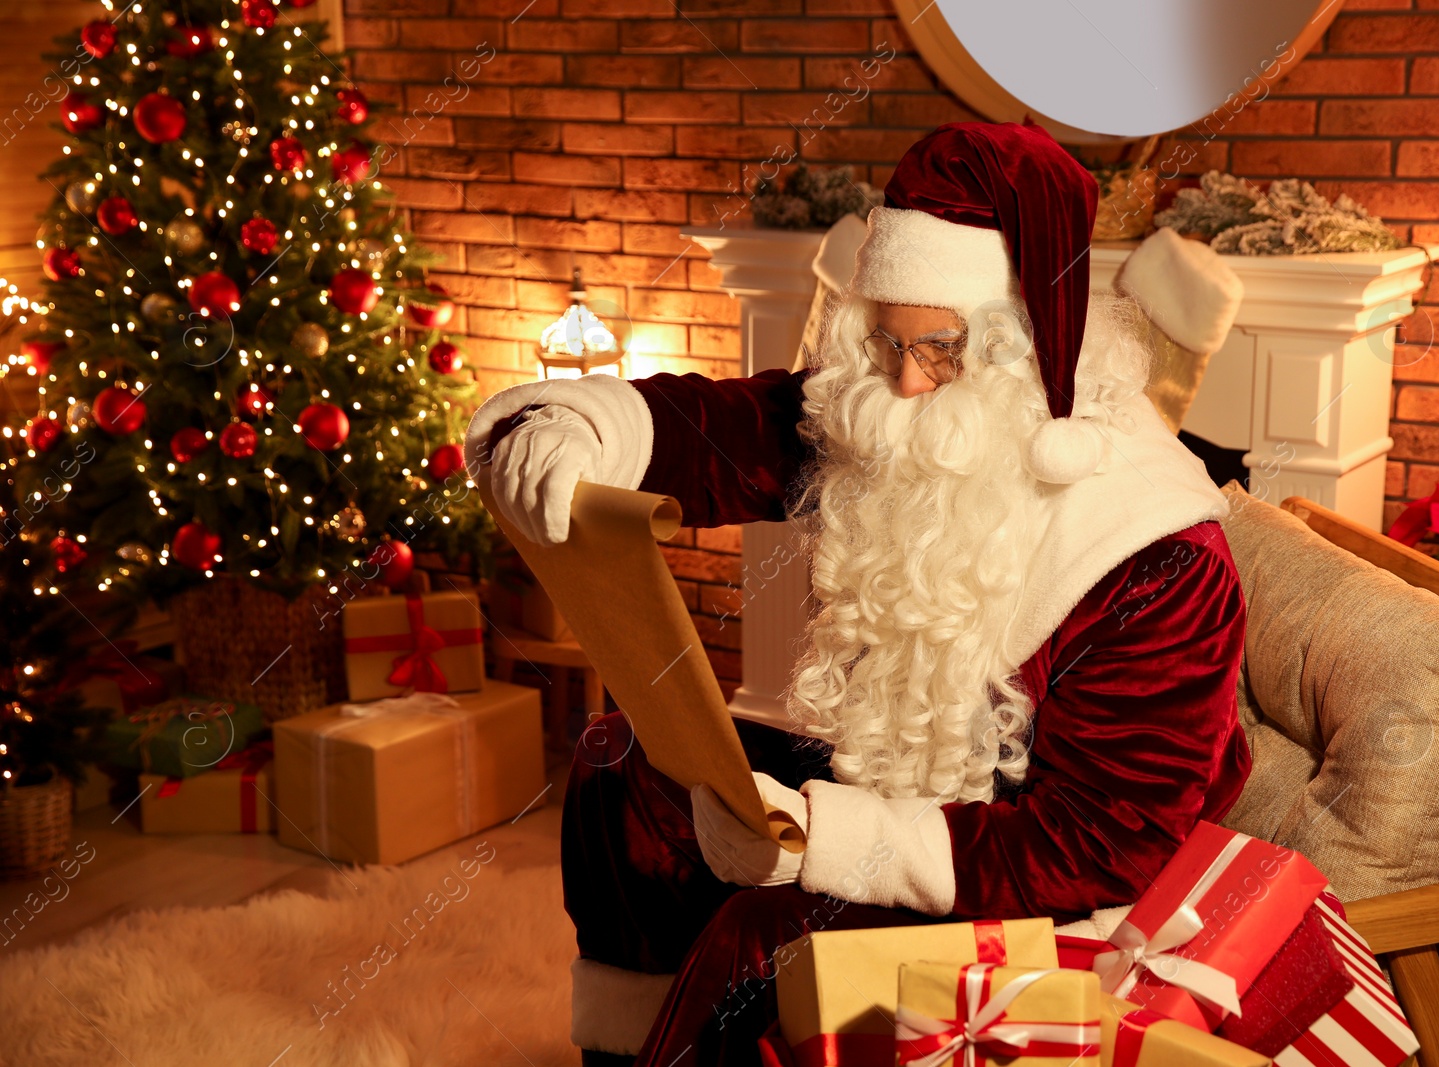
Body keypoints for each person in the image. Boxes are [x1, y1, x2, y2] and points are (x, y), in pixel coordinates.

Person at [464, 120, 1251, 1067]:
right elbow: (735, 430)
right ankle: (631, 1047)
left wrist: (812, 842)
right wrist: (584, 425)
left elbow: (1093, 846)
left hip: (1037, 878)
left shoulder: (1155, 555)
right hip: (903, 779)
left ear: (1026, 345)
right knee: (614, 766)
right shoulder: (897, 402)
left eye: (942, 351)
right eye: (885, 344)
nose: (906, 386)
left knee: (763, 935)